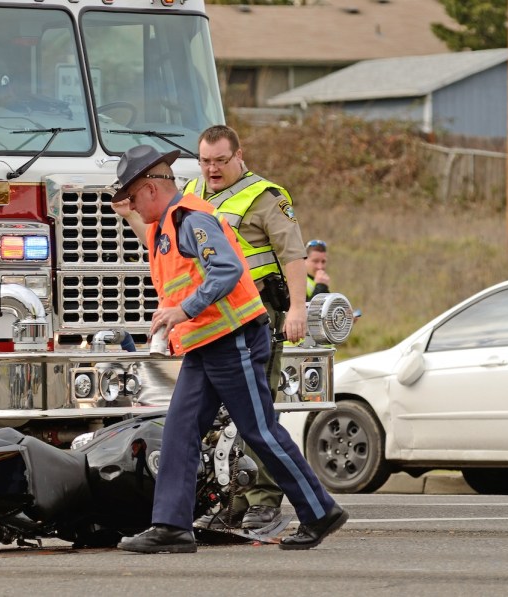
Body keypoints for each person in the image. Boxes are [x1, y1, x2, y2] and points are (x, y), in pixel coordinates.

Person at [111, 144, 347, 554]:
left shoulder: (191, 218)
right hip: (208, 344)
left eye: (131, 197)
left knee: (260, 429)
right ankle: (171, 526)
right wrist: (129, 212)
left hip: (232, 338)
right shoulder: (169, 222)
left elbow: (227, 270)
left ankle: (320, 511)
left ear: (151, 189)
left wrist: (181, 310)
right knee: (181, 432)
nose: (129, 205)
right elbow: (163, 247)